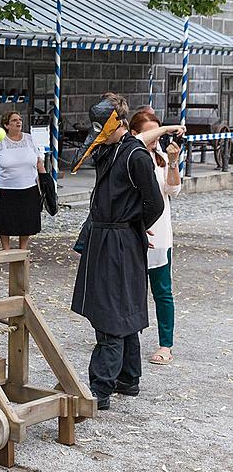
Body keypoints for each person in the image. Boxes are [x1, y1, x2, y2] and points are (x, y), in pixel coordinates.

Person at [69, 93, 182, 411]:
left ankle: (99, 388)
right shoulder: (113, 148)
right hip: (107, 238)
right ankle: (128, 377)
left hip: (119, 241)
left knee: (112, 313)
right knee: (122, 308)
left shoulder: (135, 156)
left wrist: (133, 226)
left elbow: (155, 203)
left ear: (116, 122)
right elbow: (133, 138)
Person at [129, 110, 182, 366]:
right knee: (130, 290)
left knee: (162, 290)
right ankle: (128, 340)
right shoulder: (128, 156)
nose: (156, 138)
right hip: (132, 232)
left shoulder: (160, 157)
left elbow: (173, 189)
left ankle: (166, 344)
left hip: (159, 232)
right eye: (152, 133)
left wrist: (172, 161)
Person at [0, 110, 47, 251]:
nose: (18, 122)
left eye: (19, 119)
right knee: (5, 221)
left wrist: (45, 180)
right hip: (6, 188)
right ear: (6, 125)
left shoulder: (29, 138)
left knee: (26, 220)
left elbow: (38, 161)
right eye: (14, 120)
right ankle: (6, 249)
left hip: (29, 187)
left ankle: (23, 249)